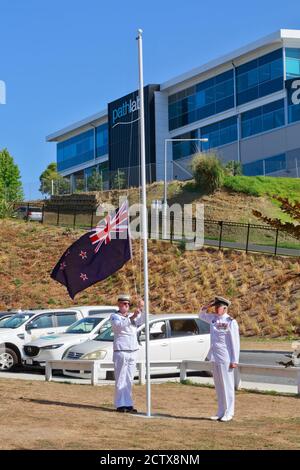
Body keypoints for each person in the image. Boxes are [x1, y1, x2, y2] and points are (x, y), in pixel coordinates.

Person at [199, 296, 240, 422]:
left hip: (226, 358)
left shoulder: (230, 321)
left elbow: (235, 342)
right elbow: (201, 315)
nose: (216, 309)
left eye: (218, 307)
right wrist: (208, 305)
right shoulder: (213, 319)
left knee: (227, 386)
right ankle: (221, 411)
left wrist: (235, 360)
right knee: (219, 386)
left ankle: (229, 412)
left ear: (225, 308)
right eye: (215, 307)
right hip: (215, 357)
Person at [110, 294, 144, 413]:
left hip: (132, 350)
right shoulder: (115, 316)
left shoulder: (131, 316)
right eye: (124, 304)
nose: (127, 306)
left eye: (128, 304)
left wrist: (141, 308)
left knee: (129, 378)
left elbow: (142, 320)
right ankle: (120, 404)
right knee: (121, 378)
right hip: (121, 350)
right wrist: (132, 317)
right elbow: (118, 327)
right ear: (119, 304)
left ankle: (128, 403)